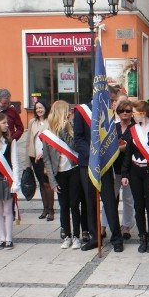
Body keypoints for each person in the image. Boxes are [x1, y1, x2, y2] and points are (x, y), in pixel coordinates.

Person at [73, 98, 124, 252]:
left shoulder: (107, 111)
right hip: (87, 163)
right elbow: (78, 138)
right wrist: (93, 155)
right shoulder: (81, 111)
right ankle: (95, 237)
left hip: (105, 163)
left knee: (109, 201)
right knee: (90, 202)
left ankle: (117, 238)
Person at [120, 100, 149, 253]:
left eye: (134, 113)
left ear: (143, 114)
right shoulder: (132, 130)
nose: (132, 116)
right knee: (138, 206)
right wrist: (125, 174)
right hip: (135, 172)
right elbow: (128, 153)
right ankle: (142, 236)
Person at [42, 100, 83, 249]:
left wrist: (66, 129)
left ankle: (76, 236)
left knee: (74, 204)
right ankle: (66, 235)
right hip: (59, 174)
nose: (70, 113)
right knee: (64, 206)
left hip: (73, 171)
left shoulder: (71, 128)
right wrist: (52, 182)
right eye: (67, 110)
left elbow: (74, 147)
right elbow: (46, 159)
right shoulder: (48, 134)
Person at [0, 112, 21, 249]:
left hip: (7, 179)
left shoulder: (11, 141)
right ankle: (1, 238)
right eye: (4, 123)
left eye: (7, 122)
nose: (7, 125)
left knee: (7, 210)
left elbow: (15, 163)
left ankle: (9, 238)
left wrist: (16, 181)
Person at [109, 99, 136, 242]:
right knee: (110, 198)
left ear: (132, 113)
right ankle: (106, 225)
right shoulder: (112, 127)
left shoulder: (136, 128)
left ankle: (126, 226)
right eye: (121, 111)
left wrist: (128, 147)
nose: (124, 113)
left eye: (127, 111)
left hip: (130, 170)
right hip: (113, 169)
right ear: (117, 113)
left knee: (128, 199)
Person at [27, 99, 55, 221]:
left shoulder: (51, 121)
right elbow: (28, 141)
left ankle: (51, 210)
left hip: (47, 158)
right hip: (35, 157)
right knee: (41, 185)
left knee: (47, 184)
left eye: (41, 107)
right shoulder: (32, 122)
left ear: (46, 107)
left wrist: (44, 153)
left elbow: (54, 140)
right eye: (37, 108)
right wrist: (27, 160)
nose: (39, 110)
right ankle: (44, 208)